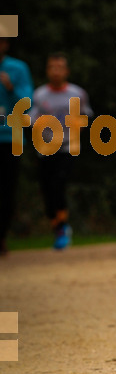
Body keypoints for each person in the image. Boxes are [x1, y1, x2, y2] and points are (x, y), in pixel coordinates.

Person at [30, 53, 93, 249]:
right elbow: (32, 120)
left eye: (60, 67)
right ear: (47, 70)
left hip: (67, 147)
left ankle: (63, 228)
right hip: (45, 149)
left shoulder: (77, 93)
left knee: (59, 185)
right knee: (47, 190)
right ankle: (57, 226)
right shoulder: (39, 95)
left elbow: (87, 116)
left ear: (66, 71)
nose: (56, 71)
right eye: (52, 67)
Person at [0, 37, 33, 256]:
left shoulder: (18, 68)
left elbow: (28, 102)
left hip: (9, 138)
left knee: (5, 191)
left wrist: (10, 87)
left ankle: (1, 238)